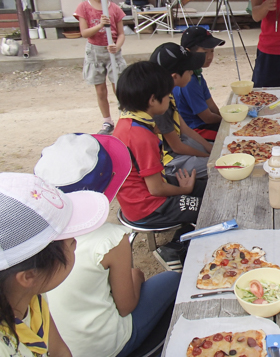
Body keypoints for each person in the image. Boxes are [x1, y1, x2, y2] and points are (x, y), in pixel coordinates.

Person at [35, 133, 181, 357]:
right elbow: (126, 306)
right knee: (174, 279)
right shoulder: (109, 238)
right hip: (106, 346)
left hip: (54, 348)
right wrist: (136, 276)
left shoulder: (31, 238)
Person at [0, 172, 108, 357]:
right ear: (29, 276)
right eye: (67, 239)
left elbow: (60, 351)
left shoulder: (31, 297)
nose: (74, 241)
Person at [113, 61, 205, 272]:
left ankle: (183, 227)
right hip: (148, 207)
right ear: (153, 100)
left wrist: (186, 190)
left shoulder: (128, 121)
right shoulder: (141, 136)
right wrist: (183, 190)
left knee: (205, 189)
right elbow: (156, 189)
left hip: (141, 194)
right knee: (209, 210)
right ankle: (173, 249)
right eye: (167, 95)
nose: (170, 98)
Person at [75, 0, 127, 135]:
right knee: (100, 89)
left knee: (118, 86)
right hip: (95, 52)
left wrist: (117, 46)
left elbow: (121, 34)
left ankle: (124, 117)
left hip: (113, 52)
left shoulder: (114, 9)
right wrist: (99, 26)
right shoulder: (84, 7)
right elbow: (84, 33)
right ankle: (107, 121)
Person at [150, 43, 213, 179]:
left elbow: (184, 128)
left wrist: (209, 147)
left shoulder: (167, 92)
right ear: (174, 77)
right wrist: (209, 156)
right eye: (189, 70)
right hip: (171, 161)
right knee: (219, 166)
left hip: (182, 143)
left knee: (223, 150)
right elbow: (177, 147)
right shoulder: (159, 106)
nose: (192, 73)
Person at [177, 26, 226, 141]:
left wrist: (225, 118)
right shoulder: (188, 80)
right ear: (188, 51)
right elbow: (207, 117)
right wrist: (226, 120)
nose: (210, 57)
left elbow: (211, 105)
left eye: (212, 51)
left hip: (202, 123)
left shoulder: (197, 72)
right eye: (205, 52)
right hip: (194, 128)